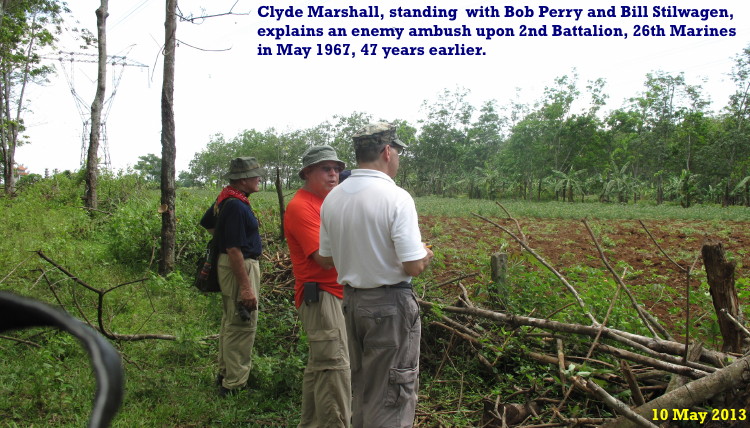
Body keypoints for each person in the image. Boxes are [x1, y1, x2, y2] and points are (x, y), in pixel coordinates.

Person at [319, 122, 434, 428]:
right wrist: (424, 256)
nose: (397, 158)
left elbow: (326, 259)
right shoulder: (396, 198)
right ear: (386, 151)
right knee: (392, 396)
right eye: (397, 152)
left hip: (352, 304)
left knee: (365, 388)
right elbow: (412, 266)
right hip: (389, 306)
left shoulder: (333, 198)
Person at [284, 145, 351, 427]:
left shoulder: (325, 203)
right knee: (335, 369)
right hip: (322, 297)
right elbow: (324, 259)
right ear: (307, 172)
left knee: (321, 367)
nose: (334, 174)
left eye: (336, 168)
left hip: (332, 294)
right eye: (326, 169)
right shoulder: (302, 207)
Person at [200, 156, 264, 397]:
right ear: (244, 180)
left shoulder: (226, 197)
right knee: (242, 322)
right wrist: (246, 288)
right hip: (240, 265)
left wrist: (222, 237)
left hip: (228, 264)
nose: (260, 179)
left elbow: (206, 222)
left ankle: (226, 373)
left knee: (230, 321)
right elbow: (235, 249)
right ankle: (235, 385)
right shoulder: (236, 206)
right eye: (256, 175)